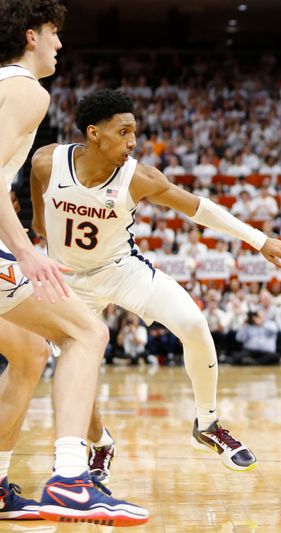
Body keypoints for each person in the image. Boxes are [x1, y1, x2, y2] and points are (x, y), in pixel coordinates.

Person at [29, 90, 281, 481]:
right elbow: (39, 224)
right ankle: (100, 444)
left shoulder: (138, 177)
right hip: (68, 281)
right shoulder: (46, 162)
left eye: (134, 132)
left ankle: (207, 424)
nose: (132, 142)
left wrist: (260, 241)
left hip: (120, 268)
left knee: (193, 324)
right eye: (123, 131)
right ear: (94, 133)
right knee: (77, 374)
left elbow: (198, 208)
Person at [0, 2, 148, 525]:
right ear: (30, 35)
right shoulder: (24, 88)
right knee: (86, 333)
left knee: (30, 352)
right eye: (54, 33)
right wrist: (24, 249)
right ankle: (70, 479)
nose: (60, 44)